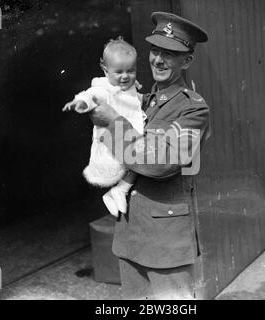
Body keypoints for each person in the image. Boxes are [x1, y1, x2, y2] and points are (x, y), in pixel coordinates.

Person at [89, 12, 210, 299]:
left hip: (167, 243)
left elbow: (161, 163)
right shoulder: (140, 101)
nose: (158, 60)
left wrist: (112, 123)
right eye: (155, 50)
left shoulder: (193, 110)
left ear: (187, 61)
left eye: (169, 54)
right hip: (131, 233)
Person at [62, 37, 145, 217]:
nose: (125, 76)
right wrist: (80, 102)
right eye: (119, 72)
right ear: (105, 70)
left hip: (130, 136)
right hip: (111, 141)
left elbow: (134, 100)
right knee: (130, 162)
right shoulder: (104, 88)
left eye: (131, 71)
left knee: (139, 162)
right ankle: (118, 190)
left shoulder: (130, 86)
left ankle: (120, 191)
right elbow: (90, 95)